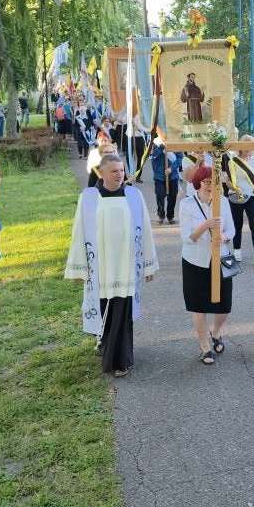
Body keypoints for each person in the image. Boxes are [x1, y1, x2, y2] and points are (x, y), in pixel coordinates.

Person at [64, 153, 158, 376]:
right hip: (101, 268)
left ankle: (120, 360)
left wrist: (148, 265)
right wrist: (79, 268)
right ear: (102, 173)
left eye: (122, 170)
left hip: (126, 266)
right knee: (104, 310)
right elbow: (79, 232)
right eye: (114, 171)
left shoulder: (134, 196)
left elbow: (145, 230)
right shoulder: (89, 198)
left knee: (122, 312)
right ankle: (106, 346)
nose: (119, 175)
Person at [179, 165, 235, 365]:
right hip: (195, 260)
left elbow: (232, 230)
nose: (210, 185)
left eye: (214, 182)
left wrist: (224, 237)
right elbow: (187, 238)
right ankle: (205, 347)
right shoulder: (187, 204)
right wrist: (205, 226)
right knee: (198, 306)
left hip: (221, 257)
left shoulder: (224, 202)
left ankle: (216, 332)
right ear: (198, 182)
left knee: (225, 306)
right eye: (206, 181)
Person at [222, 135, 254, 265]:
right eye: (245, 146)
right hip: (236, 197)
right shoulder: (232, 161)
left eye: (250, 146)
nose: (248, 149)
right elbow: (227, 181)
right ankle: (237, 250)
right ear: (240, 146)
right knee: (237, 224)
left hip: (253, 197)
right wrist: (235, 189)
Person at [151, 131, 179, 225]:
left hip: (173, 175)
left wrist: (171, 168)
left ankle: (170, 216)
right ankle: (161, 215)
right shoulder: (155, 142)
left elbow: (179, 158)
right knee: (160, 195)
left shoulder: (175, 141)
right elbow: (153, 155)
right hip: (159, 175)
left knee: (172, 197)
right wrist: (162, 147)